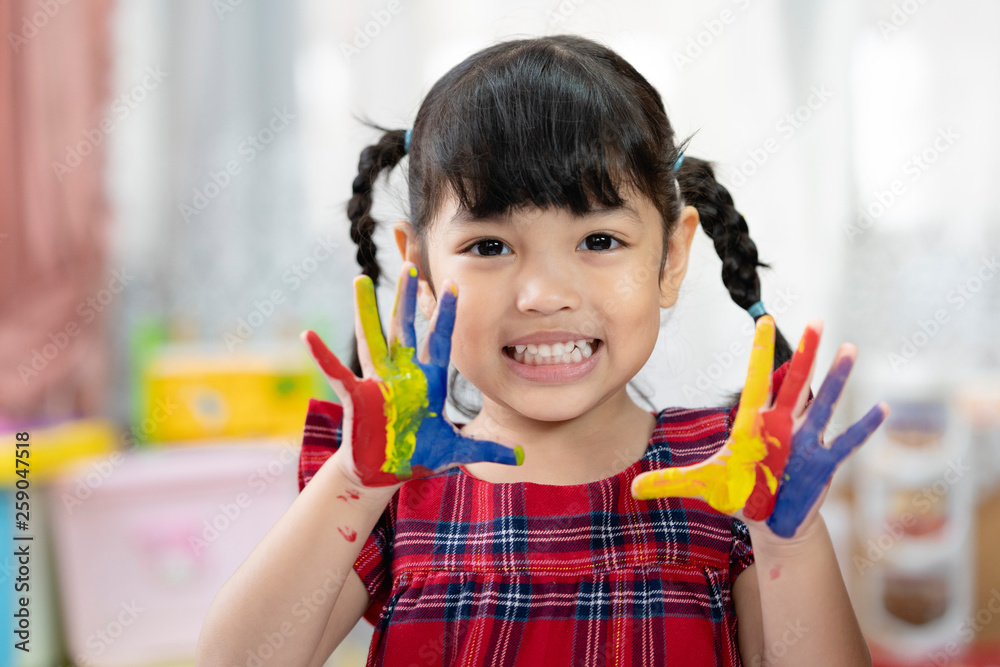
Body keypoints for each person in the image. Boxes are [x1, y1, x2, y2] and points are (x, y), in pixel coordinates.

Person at [197, 35, 888, 666]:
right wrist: (354, 481)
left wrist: (789, 545)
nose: (543, 293)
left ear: (672, 257)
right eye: (489, 246)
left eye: (599, 241)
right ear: (422, 270)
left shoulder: (724, 481)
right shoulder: (393, 487)